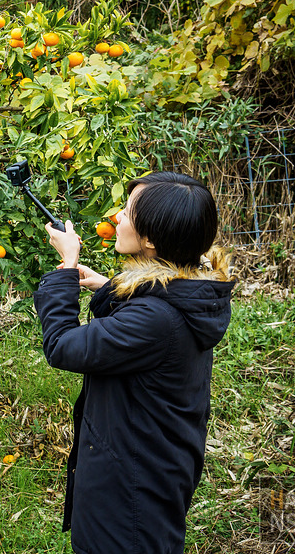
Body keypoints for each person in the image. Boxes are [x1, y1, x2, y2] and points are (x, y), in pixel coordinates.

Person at [33, 172, 236, 553]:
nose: (117, 218)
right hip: (149, 465)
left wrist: (67, 266)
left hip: (129, 487)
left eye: (126, 212)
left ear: (150, 239)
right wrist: (109, 285)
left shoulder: (156, 321)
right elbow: (152, 304)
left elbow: (63, 345)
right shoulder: (187, 294)